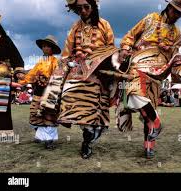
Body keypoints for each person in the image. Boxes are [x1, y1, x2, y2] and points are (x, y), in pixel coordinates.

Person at [41, 0, 117, 158]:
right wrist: (73, 59)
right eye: (79, 8)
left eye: (86, 7)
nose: (82, 10)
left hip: (98, 75)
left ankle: (88, 140)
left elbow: (111, 49)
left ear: (93, 7)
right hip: (77, 73)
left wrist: (96, 56)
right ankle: (85, 138)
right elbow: (66, 53)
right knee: (76, 108)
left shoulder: (105, 25)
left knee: (94, 114)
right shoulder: (75, 27)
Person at [117, 0, 181, 158]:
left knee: (149, 109)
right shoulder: (151, 18)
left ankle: (148, 147)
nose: (177, 15)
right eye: (176, 11)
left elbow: (174, 56)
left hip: (159, 73)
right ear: (169, 7)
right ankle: (157, 123)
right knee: (132, 93)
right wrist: (125, 48)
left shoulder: (178, 33)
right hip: (139, 64)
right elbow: (131, 35)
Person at [19, 35, 61, 149]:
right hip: (38, 92)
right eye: (43, 46)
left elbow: (57, 76)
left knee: (49, 116)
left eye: (48, 46)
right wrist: (21, 80)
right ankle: (40, 135)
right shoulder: (40, 61)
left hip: (50, 92)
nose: (45, 48)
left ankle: (49, 140)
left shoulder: (55, 61)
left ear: (52, 49)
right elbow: (31, 75)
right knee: (35, 114)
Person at [0, 15, 24, 137]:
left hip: (3, 75)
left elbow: (16, 55)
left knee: (2, 105)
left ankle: (4, 132)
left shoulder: (5, 40)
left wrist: (19, 71)